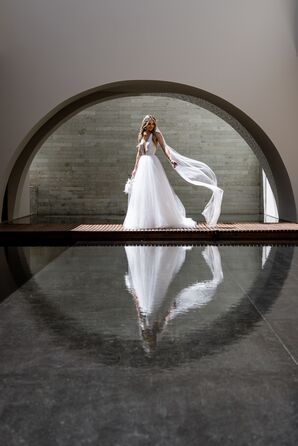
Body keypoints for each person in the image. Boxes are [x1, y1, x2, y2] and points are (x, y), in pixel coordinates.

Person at [123, 115, 223, 229]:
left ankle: (160, 219)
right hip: (142, 165)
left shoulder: (156, 135)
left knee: (155, 191)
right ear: (144, 124)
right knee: (142, 192)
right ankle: (145, 220)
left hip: (152, 164)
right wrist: (135, 167)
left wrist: (171, 159)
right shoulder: (142, 135)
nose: (151, 126)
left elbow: (165, 147)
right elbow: (138, 153)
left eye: (153, 124)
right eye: (149, 123)